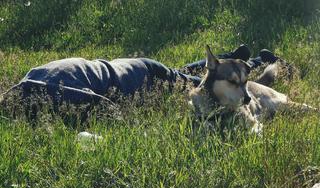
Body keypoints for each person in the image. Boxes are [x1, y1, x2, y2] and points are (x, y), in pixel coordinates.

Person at [0, 45, 278, 107]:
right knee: (179, 73)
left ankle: (256, 60)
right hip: (127, 65)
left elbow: (106, 107)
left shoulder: (53, 90)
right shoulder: (29, 78)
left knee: (195, 82)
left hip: (137, 74)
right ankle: (234, 53)